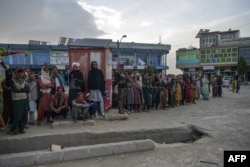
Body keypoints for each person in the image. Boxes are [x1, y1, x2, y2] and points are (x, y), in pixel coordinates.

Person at [8, 68, 30, 135]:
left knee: (24, 116)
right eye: (20, 73)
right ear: (17, 74)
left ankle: (21, 129)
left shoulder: (25, 81)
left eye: (22, 73)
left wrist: (21, 89)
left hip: (25, 100)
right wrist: (23, 89)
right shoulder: (12, 81)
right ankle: (12, 130)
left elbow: (28, 90)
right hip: (17, 101)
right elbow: (14, 90)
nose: (21, 74)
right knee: (17, 116)